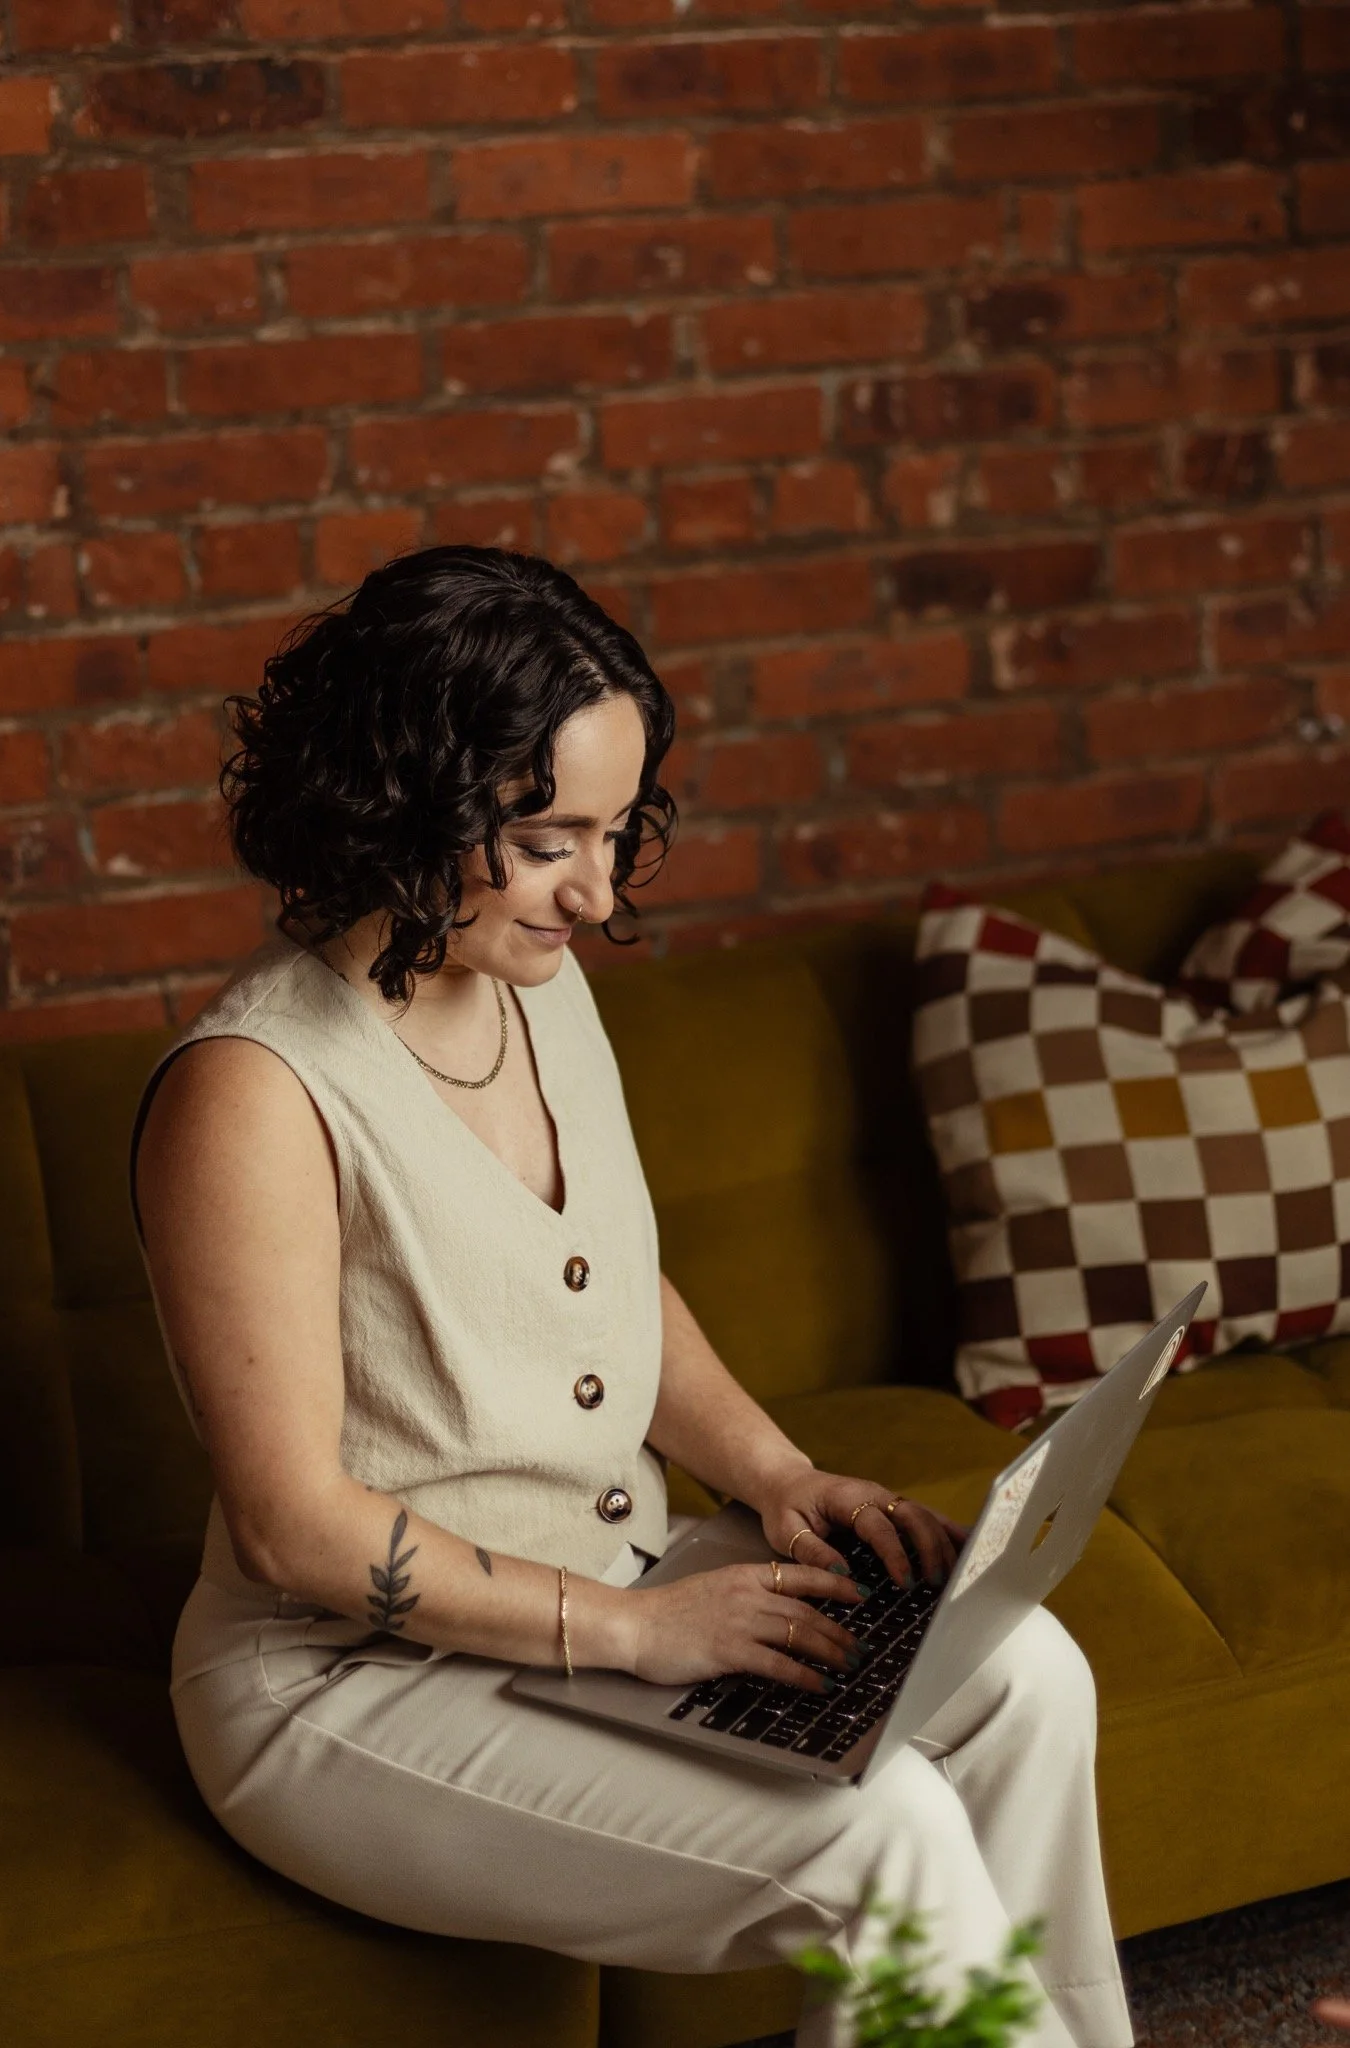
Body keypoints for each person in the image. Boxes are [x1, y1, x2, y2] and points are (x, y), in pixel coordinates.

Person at [128, 546, 1134, 2048]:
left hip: (615, 1588)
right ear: (402, 803)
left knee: (1026, 1675)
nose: (595, 896)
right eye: (547, 841)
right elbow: (292, 1524)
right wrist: (639, 1631)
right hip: (348, 1689)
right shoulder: (252, 1092)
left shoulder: (538, 986)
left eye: (615, 832)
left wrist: (777, 1477)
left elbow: (607, 1280)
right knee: (884, 1841)